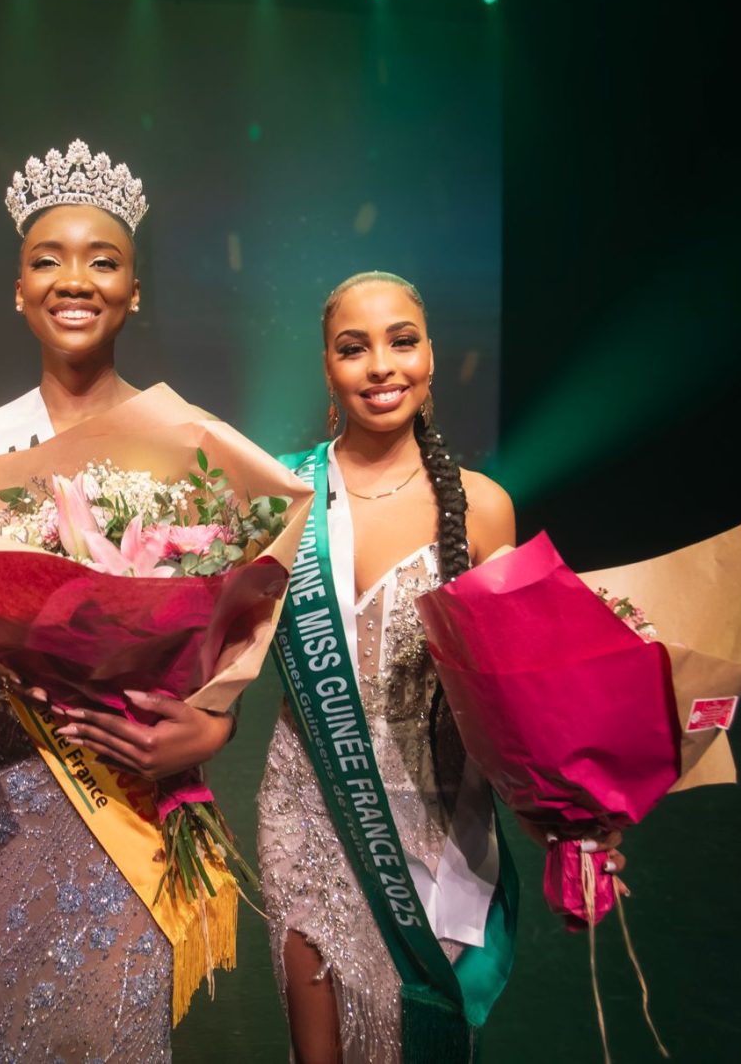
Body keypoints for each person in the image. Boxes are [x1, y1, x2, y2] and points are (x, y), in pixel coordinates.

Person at [0, 141, 234, 1063]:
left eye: (103, 259)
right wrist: (12, 656)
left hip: (132, 786)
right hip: (8, 793)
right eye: (47, 259)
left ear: (135, 290)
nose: (73, 279)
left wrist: (212, 730)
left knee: (124, 1025)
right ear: (17, 289)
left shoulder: (195, 447)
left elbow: (232, 654)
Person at [257, 272, 624, 1064]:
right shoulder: (282, 492)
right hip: (309, 803)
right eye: (354, 348)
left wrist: (574, 820)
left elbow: (527, 694)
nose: (381, 365)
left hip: (437, 811)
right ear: (327, 367)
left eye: (402, 341)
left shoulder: (484, 505)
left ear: (429, 357)